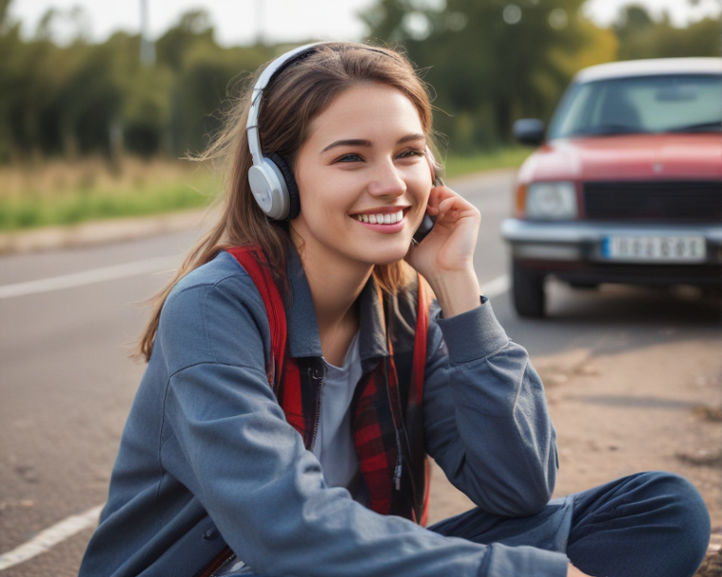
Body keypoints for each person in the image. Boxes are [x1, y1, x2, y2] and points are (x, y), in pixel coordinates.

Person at [78, 41, 710, 577]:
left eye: (408, 153)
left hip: (350, 564)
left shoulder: (409, 307)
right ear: (276, 181)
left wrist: (458, 287)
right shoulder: (215, 307)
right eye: (351, 157)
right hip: (248, 568)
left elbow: (518, 488)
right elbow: (285, 532)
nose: (391, 183)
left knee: (661, 509)